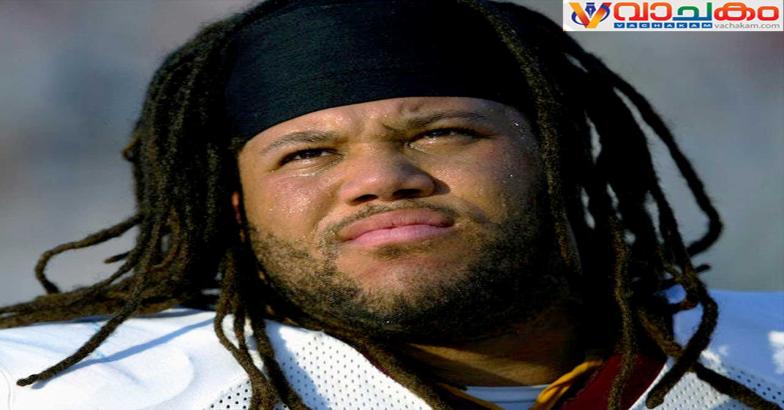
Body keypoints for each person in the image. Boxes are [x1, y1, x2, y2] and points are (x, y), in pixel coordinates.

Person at [0, 0, 781, 409]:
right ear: (236, 209)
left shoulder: (764, 357)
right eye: (307, 154)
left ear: (559, 158)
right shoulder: (56, 391)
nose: (380, 179)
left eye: (442, 133)